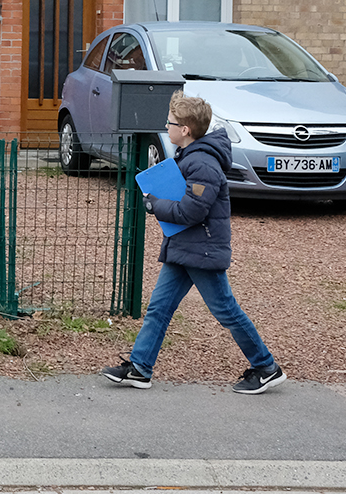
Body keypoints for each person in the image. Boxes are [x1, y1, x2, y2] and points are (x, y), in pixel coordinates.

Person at [102, 92, 287, 395]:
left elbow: (191, 211)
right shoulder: (190, 157)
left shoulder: (202, 163)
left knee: (225, 310)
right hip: (185, 248)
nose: (167, 126)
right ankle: (140, 368)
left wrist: (154, 204)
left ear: (185, 130)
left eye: (170, 122)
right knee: (159, 308)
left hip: (201, 249)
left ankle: (266, 368)